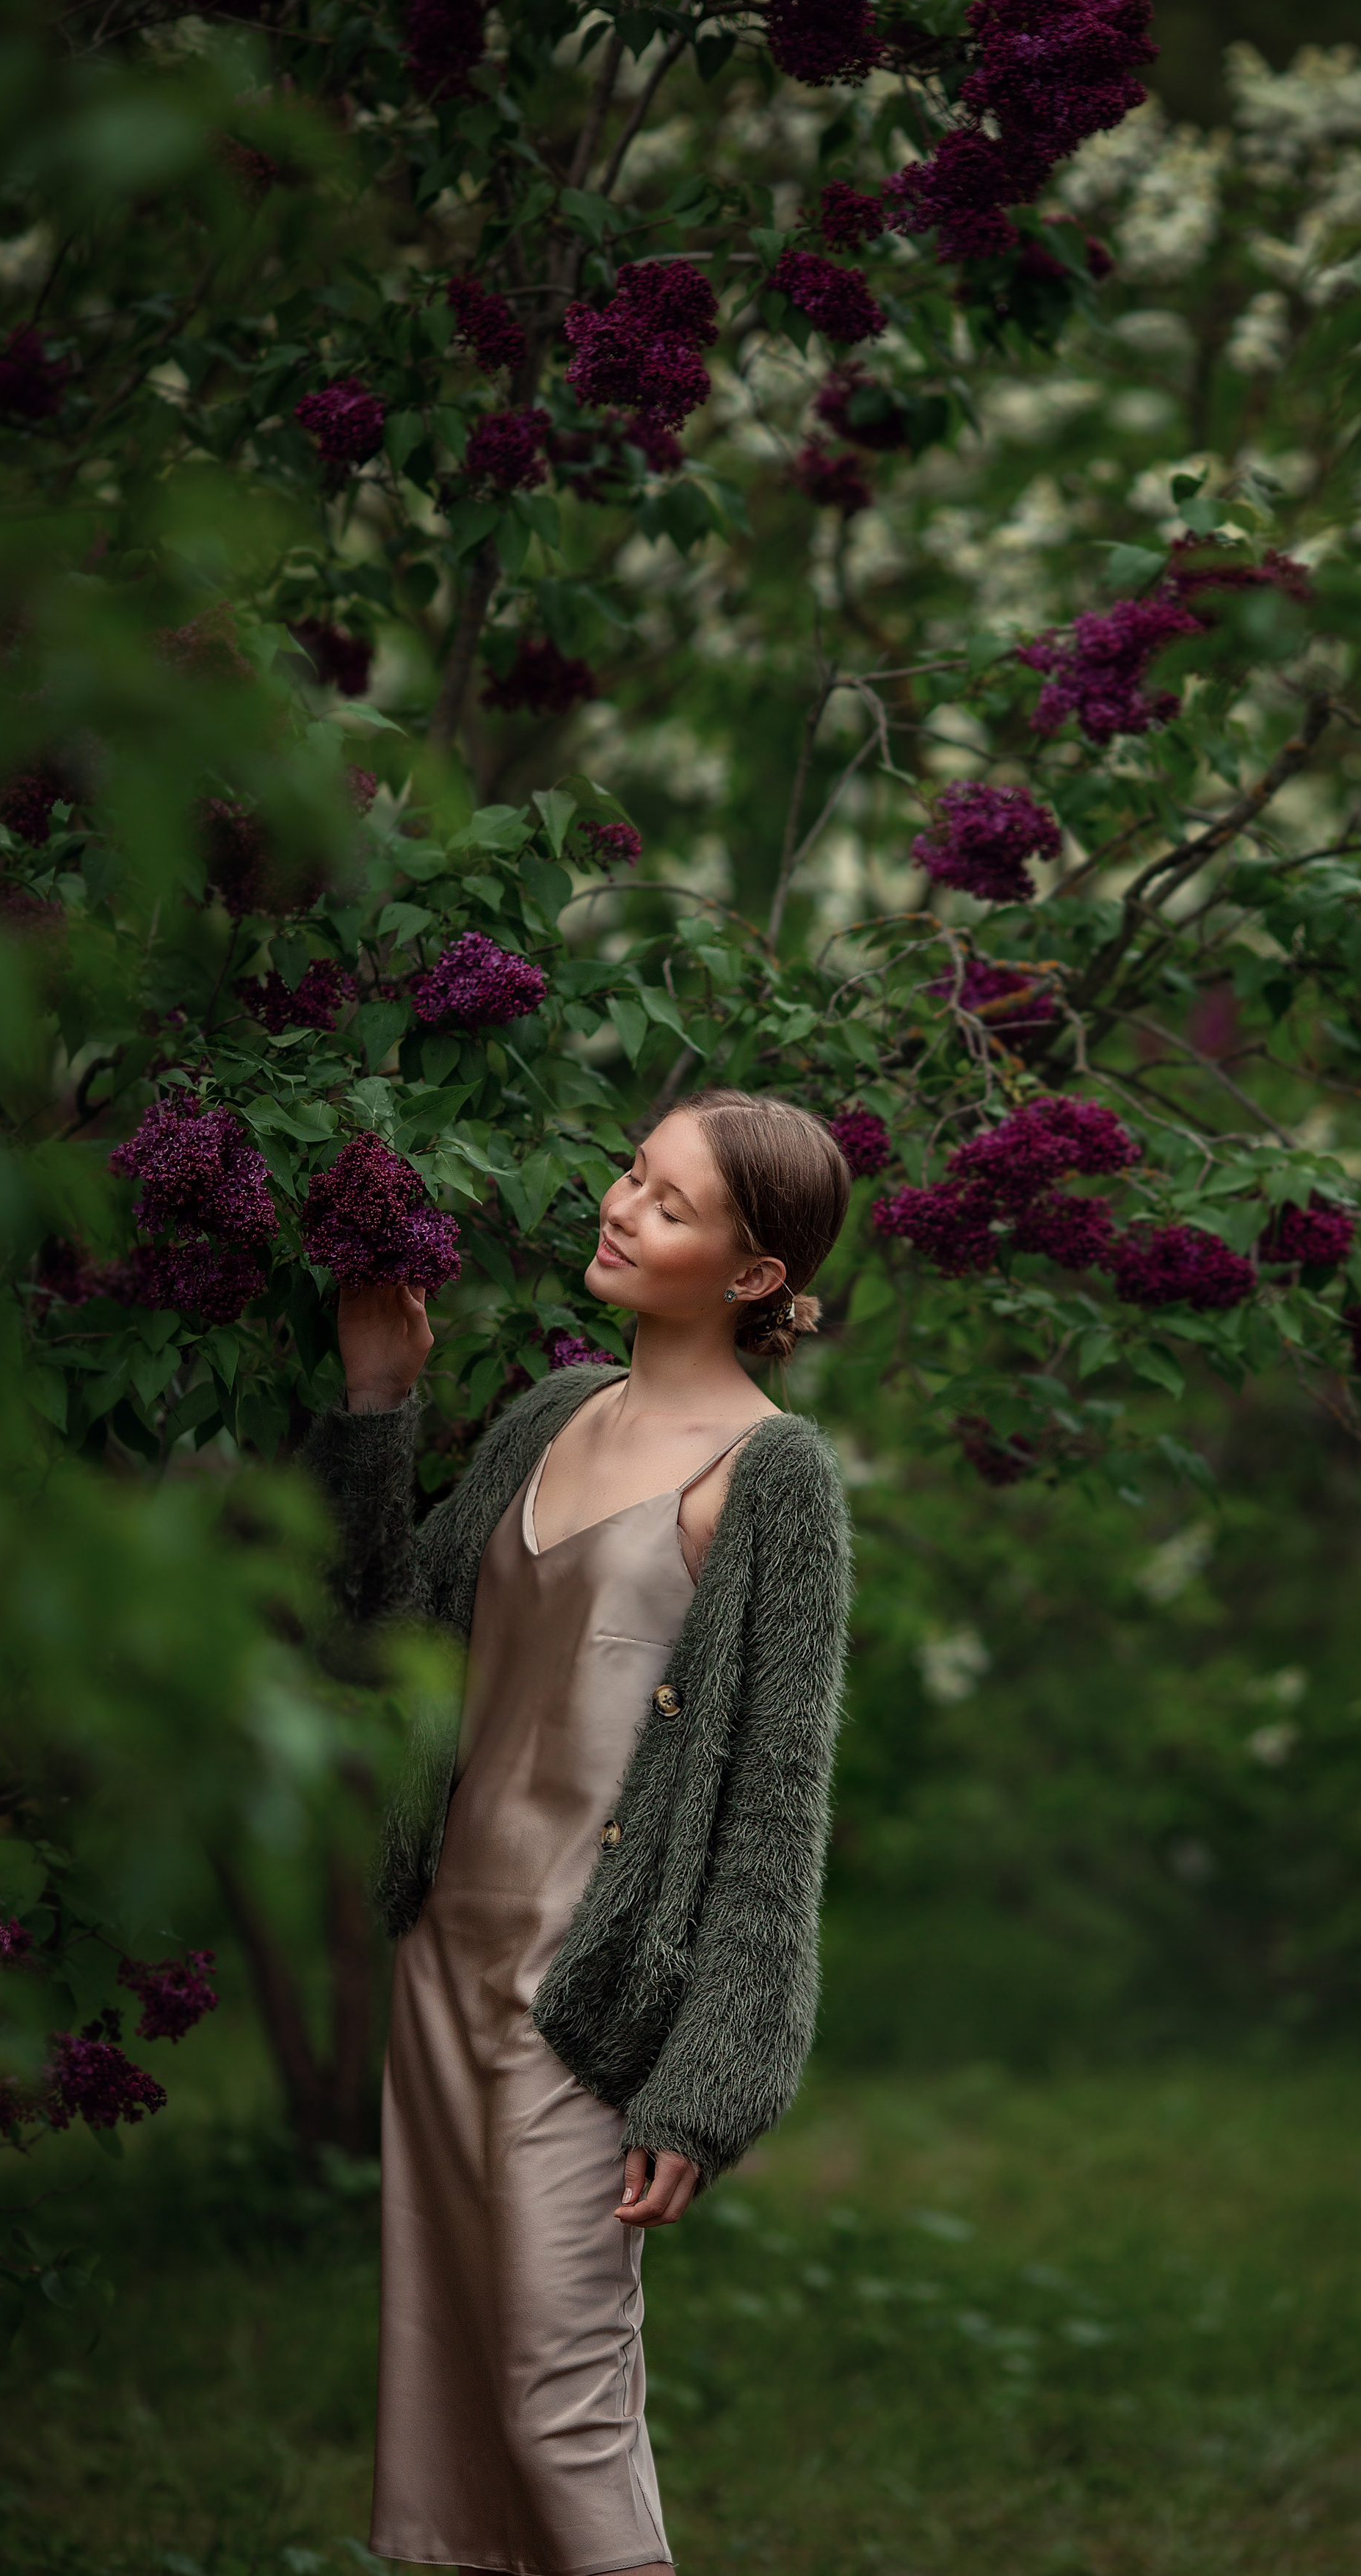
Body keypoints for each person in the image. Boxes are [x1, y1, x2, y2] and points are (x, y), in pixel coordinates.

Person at [300, 1086, 855, 2576]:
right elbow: (372, 1640)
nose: (618, 1203)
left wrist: (712, 2078)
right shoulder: (552, 1409)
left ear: (752, 1276)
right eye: (631, 1172)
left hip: (579, 1994)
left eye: (668, 1204)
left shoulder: (772, 1475)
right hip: (441, 1955)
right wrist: (376, 1405)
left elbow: (771, 1804)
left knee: (559, 2398)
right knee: (442, 2390)